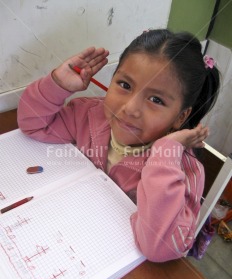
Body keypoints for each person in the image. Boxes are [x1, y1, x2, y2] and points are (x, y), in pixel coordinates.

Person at [17, 29, 220, 262]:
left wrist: (164, 156)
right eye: (124, 84)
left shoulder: (183, 170)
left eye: (156, 100)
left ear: (180, 117)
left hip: (110, 264)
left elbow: (161, 248)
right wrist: (57, 85)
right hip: (67, 232)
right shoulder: (88, 114)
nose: (130, 108)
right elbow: (32, 125)